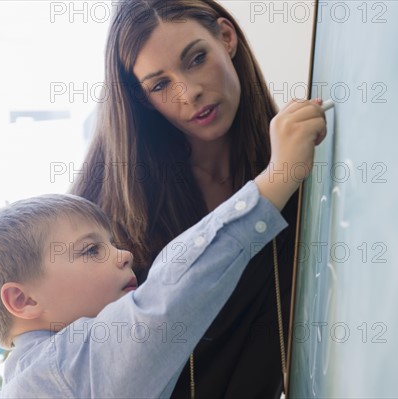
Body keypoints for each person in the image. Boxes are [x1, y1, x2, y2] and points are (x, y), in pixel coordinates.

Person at [0, 106, 326, 397]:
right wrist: (277, 178)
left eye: (112, 244)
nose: (124, 255)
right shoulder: (62, 367)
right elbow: (166, 301)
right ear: (22, 300)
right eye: (90, 250)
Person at [70, 0, 323, 396]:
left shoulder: (297, 170)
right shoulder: (105, 213)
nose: (189, 93)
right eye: (159, 85)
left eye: (196, 59)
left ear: (227, 36)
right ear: (142, 100)